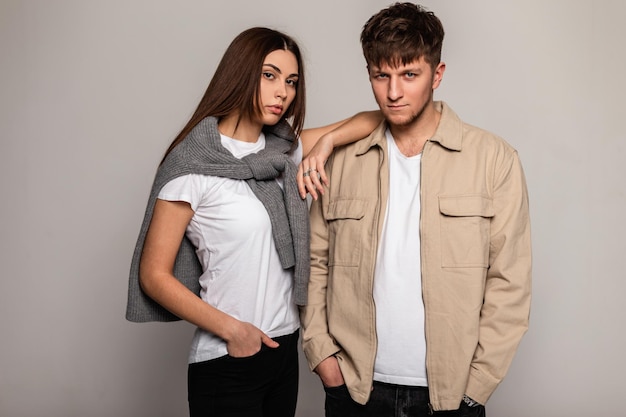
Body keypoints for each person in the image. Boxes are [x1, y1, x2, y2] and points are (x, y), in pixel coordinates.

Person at [125, 27, 380, 417]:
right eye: (270, 75)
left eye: (292, 82)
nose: (283, 92)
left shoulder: (282, 153)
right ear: (241, 73)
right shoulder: (194, 164)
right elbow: (153, 275)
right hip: (228, 358)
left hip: (284, 351)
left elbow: (374, 119)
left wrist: (326, 143)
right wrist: (233, 331)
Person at [299, 3, 532, 416]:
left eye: (410, 74)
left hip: (450, 396)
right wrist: (321, 355)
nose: (393, 92)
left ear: (436, 74)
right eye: (380, 75)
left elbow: (509, 282)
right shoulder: (341, 161)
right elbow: (318, 263)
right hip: (354, 390)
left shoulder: (493, 159)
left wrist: (476, 387)